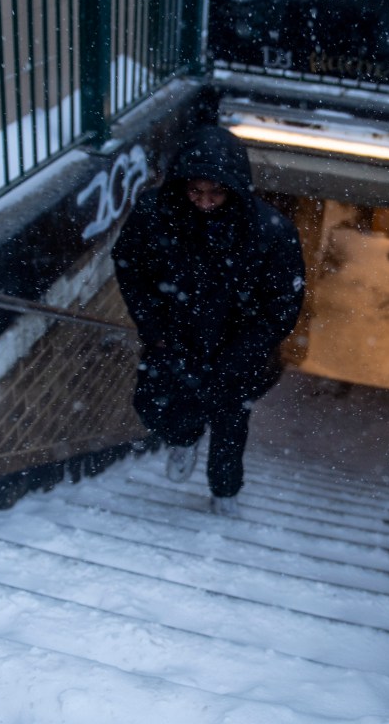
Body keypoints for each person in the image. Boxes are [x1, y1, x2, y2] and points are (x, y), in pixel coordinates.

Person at [111, 125, 305, 516]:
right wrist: (152, 324)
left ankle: (225, 494)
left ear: (234, 188)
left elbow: (283, 302)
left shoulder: (269, 231)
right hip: (173, 338)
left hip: (235, 349)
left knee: (230, 428)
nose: (204, 203)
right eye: (196, 192)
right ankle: (184, 437)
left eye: (215, 193)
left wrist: (245, 349)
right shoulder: (155, 213)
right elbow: (129, 266)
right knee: (151, 405)